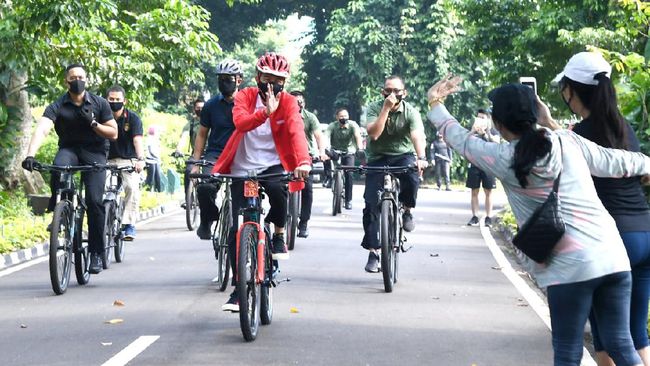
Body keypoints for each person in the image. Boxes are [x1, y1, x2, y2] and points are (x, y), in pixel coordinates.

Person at [427, 76, 649, 366]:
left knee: (568, 352)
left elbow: (460, 138)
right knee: (621, 345)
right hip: (612, 257)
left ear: (498, 122)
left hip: (568, 270)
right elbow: (617, 161)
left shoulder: (501, 157)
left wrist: (435, 102)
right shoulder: (566, 141)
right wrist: (647, 165)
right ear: (535, 114)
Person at [549, 51, 650, 366]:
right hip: (644, 233)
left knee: (608, 339)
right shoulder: (624, 127)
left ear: (572, 90)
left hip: (611, 240)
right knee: (636, 334)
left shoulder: (579, 135)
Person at [213, 52, 311, 311]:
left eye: (278, 80)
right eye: (267, 78)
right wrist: (265, 113)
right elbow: (240, 122)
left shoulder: (289, 103)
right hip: (242, 168)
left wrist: (303, 162)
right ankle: (238, 289)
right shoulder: (245, 96)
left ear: (285, 82)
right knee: (237, 230)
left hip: (272, 166)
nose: (272, 84)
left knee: (280, 190)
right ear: (257, 77)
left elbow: (295, 131)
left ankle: (278, 234)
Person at [21, 63, 117, 274]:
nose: (77, 81)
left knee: (94, 200)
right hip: (70, 149)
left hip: (95, 152)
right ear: (66, 81)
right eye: (73, 78)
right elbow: (43, 128)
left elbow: (113, 132)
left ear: (87, 80)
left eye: (80, 77)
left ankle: (95, 253)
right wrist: (30, 154)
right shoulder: (57, 106)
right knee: (58, 166)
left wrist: (93, 124)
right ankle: (59, 209)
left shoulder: (100, 103)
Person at [361, 75, 428, 273]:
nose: (392, 94)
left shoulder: (411, 112)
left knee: (412, 176)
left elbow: (417, 136)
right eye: (387, 90)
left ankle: (407, 209)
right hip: (377, 157)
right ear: (383, 92)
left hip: (402, 156)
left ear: (403, 93)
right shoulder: (375, 107)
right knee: (371, 203)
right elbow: (374, 134)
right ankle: (373, 251)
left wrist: (421, 157)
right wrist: (385, 109)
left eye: (396, 91)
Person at [193, 59, 243, 240]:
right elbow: (201, 134)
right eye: (220, 78)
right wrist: (196, 162)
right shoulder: (211, 105)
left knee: (250, 194)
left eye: (228, 78)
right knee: (204, 187)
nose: (224, 82)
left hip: (243, 155)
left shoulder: (249, 102)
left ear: (239, 80)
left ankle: (249, 235)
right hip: (216, 154)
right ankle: (208, 219)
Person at [106, 85, 146, 240]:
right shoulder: (101, 117)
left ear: (124, 101)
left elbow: (137, 140)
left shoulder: (133, 118)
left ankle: (129, 224)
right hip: (105, 161)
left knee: (131, 187)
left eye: (117, 99)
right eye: (111, 99)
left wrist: (140, 159)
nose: (114, 102)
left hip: (127, 160)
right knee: (97, 189)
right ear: (106, 100)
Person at [289, 90, 327, 238]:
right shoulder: (281, 115)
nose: (298, 104)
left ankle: (303, 222)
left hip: (307, 156)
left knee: (307, 189)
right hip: (287, 156)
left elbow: (319, 136)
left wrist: (321, 152)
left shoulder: (310, 117)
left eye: (301, 102)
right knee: (279, 187)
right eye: (295, 102)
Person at [324, 108, 363, 210]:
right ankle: (328, 177)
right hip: (335, 151)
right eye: (341, 116)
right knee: (325, 156)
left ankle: (348, 200)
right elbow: (326, 137)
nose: (343, 118)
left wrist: (360, 148)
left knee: (349, 174)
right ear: (337, 117)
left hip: (349, 152)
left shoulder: (353, 125)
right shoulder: (332, 126)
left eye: (345, 116)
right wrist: (325, 148)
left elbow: (358, 136)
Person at [466, 108, 498, 227]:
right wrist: (472, 132)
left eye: (482, 118)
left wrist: (484, 134)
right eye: (478, 117)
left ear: (488, 119)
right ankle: (474, 216)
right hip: (475, 164)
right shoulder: (473, 130)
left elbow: (496, 143)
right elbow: (465, 142)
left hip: (488, 165)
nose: (480, 120)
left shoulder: (493, 131)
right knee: (474, 191)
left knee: (488, 191)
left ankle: (488, 217)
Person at [174, 98, 205, 191]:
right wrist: (178, 149)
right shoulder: (191, 123)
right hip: (195, 153)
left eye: (202, 108)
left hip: (209, 153)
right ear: (194, 109)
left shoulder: (211, 121)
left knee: (210, 177)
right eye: (198, 107)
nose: (200, 110)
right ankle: (188, 198)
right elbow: (184, 136)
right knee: (188, 171)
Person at [144, 126, 163, 192]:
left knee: (158, 177)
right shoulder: (149, 139)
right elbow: (150, 150)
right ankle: (147, 190)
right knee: (150, 178)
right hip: (150, 160)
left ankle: (158, 191)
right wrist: (156, 157)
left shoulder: (155, 139)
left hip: (155, 160)